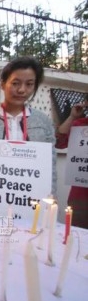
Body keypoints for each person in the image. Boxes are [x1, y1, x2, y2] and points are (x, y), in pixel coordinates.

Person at [0, 56, 57, 201]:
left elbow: (50, 167)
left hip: (30, 201)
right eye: (15, 83)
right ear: (3, 83)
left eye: (29, 84)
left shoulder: (43, 122)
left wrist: (51, 197)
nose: (22, 90)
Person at [55, 94, 88, 228]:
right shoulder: (80, 125)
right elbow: (59, 142)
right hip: (81, 197)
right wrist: (72, 116)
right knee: (78, 238)